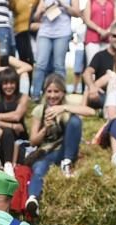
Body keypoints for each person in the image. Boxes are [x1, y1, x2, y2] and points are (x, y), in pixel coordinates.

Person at [25, 73, 92, 216]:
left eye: (56, 91)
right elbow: (33, 141)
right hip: (47, 152)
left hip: (66, 151)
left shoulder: (67, 108)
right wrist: (45, 129)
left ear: (62, 92)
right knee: (39, 170)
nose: (52, 95)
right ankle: (33, 199)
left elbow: (90, 111)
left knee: (75, 121)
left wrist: (64, 108)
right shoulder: (40, 110)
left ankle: (67, 163)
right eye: (49, 91)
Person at [30, 0, 78, 98]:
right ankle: (35, 96)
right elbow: (35, 18)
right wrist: (40, 11)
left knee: (59, 66)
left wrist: (63, 4)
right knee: (40, 64)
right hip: (45, 32)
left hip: (63, 32)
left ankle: (61, 95)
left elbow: (77, 13)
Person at [82, 20, 116, 109]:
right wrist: (92, 87)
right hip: (102, 95)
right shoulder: (100, 56)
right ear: (110, 37)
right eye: (115, 36)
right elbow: (87, 73)